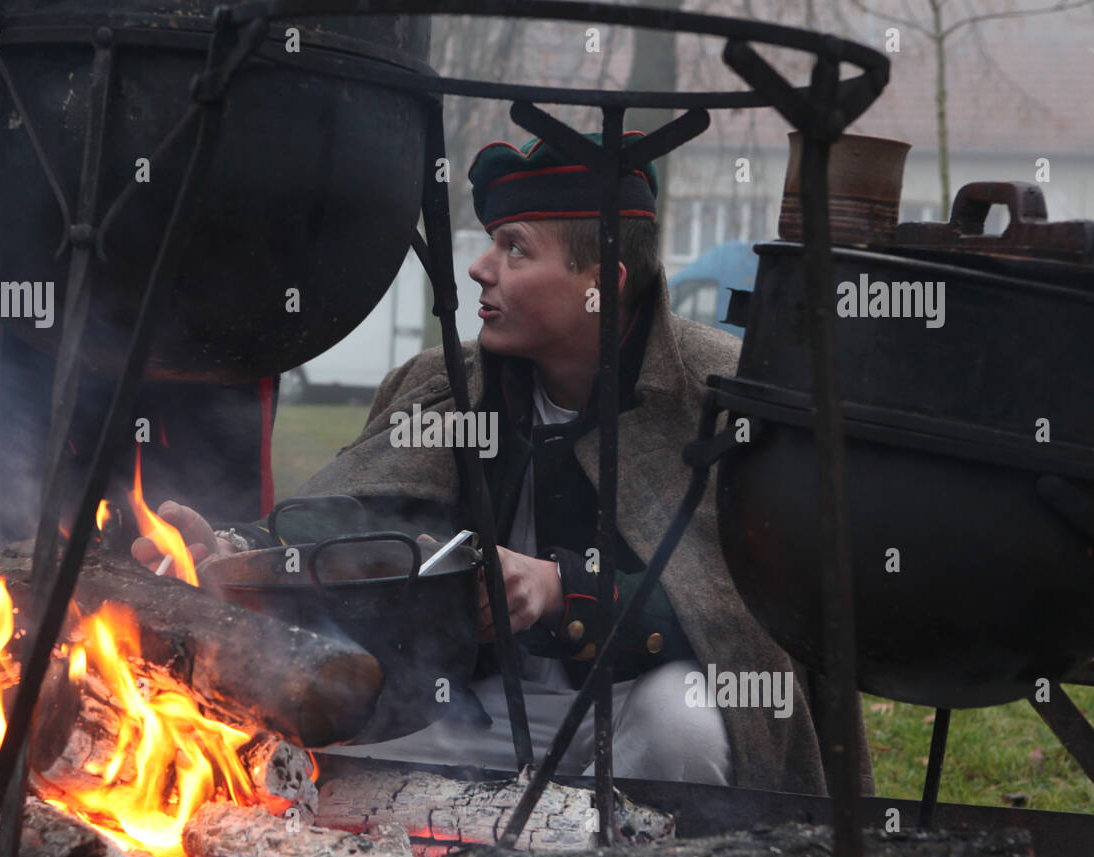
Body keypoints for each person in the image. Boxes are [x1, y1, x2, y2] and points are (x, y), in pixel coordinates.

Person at [135, 132, 871, 796]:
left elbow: (756, 610)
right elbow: (363, 515)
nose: (481, 269)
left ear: (601, 284)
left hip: (627, 710)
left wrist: (563, 591)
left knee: (682, 718)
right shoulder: (447, 382)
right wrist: (245, 550)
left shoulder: (717, 394)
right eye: (492, 244)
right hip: (463, 708)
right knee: (297, 720)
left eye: (515, 249)